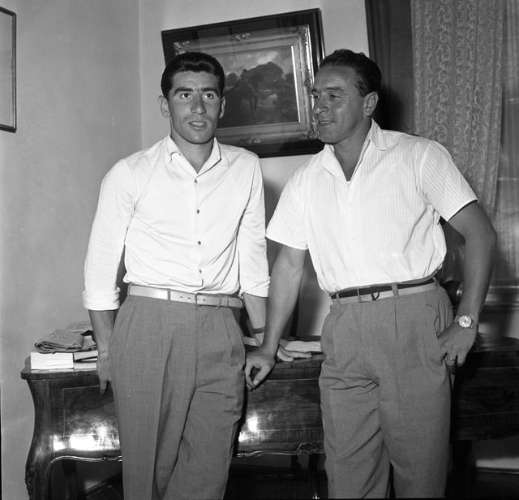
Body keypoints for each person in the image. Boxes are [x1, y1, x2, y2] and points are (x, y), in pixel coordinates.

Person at [245, 49, 496, 498]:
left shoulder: (418, 155)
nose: (320, 107)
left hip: (413, 318)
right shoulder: (306, 178)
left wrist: (466, 320)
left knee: (420, 474)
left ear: (369, 103)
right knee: (348, 474)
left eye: (334, 96)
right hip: (343, 327)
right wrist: (267, 345)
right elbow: (287, 266)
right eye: (315, 96)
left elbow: (479, 233)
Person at [83, 51, 270, 500]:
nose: (198, 107)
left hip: (222, 326)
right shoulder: (129, 173)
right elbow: (100, 268)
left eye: (209, 95)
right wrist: (107, 350)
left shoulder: (246, 167)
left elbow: (253, 261)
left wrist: (266, 338)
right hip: (150, 324)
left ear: (223, 103)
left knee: (208, 469)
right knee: (149, 471)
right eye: (184, 95)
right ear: (165, 104)